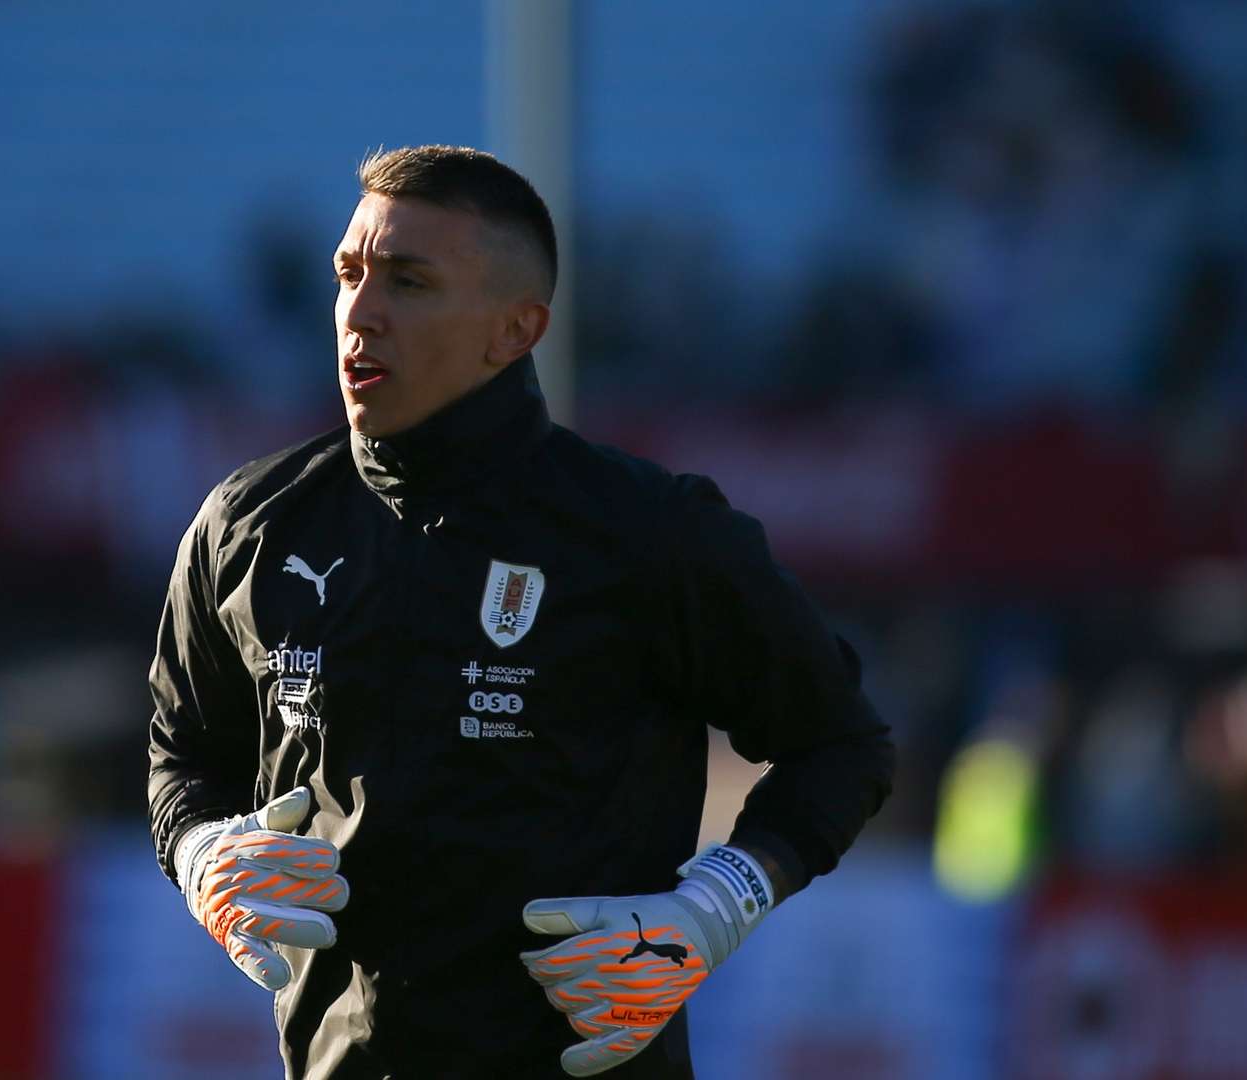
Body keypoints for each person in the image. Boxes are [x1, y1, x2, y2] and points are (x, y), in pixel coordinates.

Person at [147, 145, 895, 1079]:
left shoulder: (648, 532)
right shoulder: (248, 525)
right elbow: (182, 753)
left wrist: (715, 904)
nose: (360, 313)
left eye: (409, 282)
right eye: (350, 274)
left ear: (516, 330)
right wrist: (201, 848)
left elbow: (842, 744)